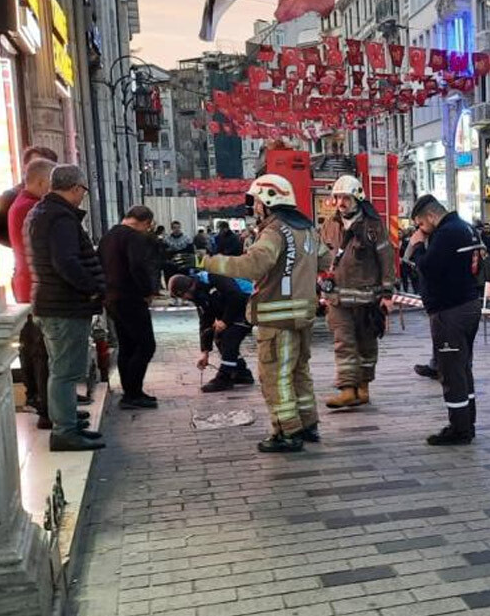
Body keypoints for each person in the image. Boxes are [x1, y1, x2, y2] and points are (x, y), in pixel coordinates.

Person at [203, 174, 329, 452]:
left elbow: (252, 266)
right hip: (303, 313)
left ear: (269, 200)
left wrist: (208, 261)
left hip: (277, 317)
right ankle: (308, 424)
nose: (255, 206)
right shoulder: (306, 229)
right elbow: (325, 259)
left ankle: (287, 432)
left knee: (275, 375)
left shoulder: (274, 231)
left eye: (257, 200)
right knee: (299, 371)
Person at [26, 165, 106, 451]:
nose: (83, 196)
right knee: (65, 371)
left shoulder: (44, 212)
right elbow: (66, 263)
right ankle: (65, 431)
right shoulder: (59, 217)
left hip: (55, 303)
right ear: (75, 188)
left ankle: (67, 421)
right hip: (63, 306)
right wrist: (93, 287)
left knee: (62, 368)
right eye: (84, 190)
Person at [319, 175, 396, 410]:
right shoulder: (329, 225)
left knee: (367, 345)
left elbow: (386, 260)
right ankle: (347, 389)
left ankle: (363, 388)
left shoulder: (373, 226)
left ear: (357, 198)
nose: (341, 202)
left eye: (346, 197)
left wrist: (387, 294)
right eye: (338, 197)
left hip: (367, 300)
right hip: (337, 300)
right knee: (344, 344)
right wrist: (320, 285)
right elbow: (321, 258)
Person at [410, 194, 481, 445]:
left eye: (420, 224)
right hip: (468, 304)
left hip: (450, 310)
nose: (420, 229)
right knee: (462, 368)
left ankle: (459, 429)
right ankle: (467, 422)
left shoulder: (447, 232)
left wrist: (418, 247)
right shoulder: (464, 227)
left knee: (451, 371)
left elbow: (429, 268)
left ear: (430, 216)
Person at [7, 157, 56, 428]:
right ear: (39, 182)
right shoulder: (30, 207)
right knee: (42, 352)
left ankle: (52, 405)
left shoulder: (24, 204)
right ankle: (48, 409)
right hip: (34, 288)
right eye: (51, 183)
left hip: (30, 285)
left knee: (42, 349)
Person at [98, 206, 160, 410]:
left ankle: (131, 392)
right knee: (145, 345)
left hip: (112, 297)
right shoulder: (134, 238)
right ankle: (133, 393)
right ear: (145, 222)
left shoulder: (108, 237)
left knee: (127, 345)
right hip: (131, 297)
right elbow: (138, 267)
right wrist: (147, 291)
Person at [168, 273, 254, 392]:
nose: (185, 299)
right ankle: (241, 373)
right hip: (232, 307)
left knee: (230, 337)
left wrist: (225, 321)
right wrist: (205, 352)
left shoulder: (213, 279)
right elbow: (205, 322)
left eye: (183, 296)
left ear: (189, 287)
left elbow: (236, 296)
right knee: (219, 335)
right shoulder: (197, 295)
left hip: (248, 302)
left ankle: (224, 378)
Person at [0, 145, 58, 249]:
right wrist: (24, 246)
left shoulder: (56, 195)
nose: (39, 170)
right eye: (35, 165)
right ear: (25, 167)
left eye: (44, 166)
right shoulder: (10, 197)